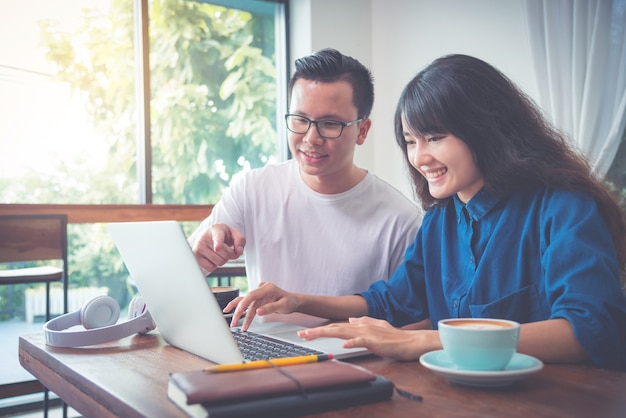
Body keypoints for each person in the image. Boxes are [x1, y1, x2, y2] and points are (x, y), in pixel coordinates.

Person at [226, 54, 626, 371]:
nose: (420, 157)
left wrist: (426, 340)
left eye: (435, 137)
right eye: (411, 141)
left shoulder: (563, 207)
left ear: (486, 129)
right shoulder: (441, 221)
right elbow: (390, 302)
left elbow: (589, 330)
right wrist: (296, 300)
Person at [189, 48, 422, 296]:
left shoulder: (401, 220)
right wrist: (197, 255)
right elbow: (178, 278)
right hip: (258, 335)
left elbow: (410, 320)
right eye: (300, 120)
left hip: (346, 337)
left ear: (362, 131)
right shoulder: (252, 188)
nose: (311, 138)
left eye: (330, 124)